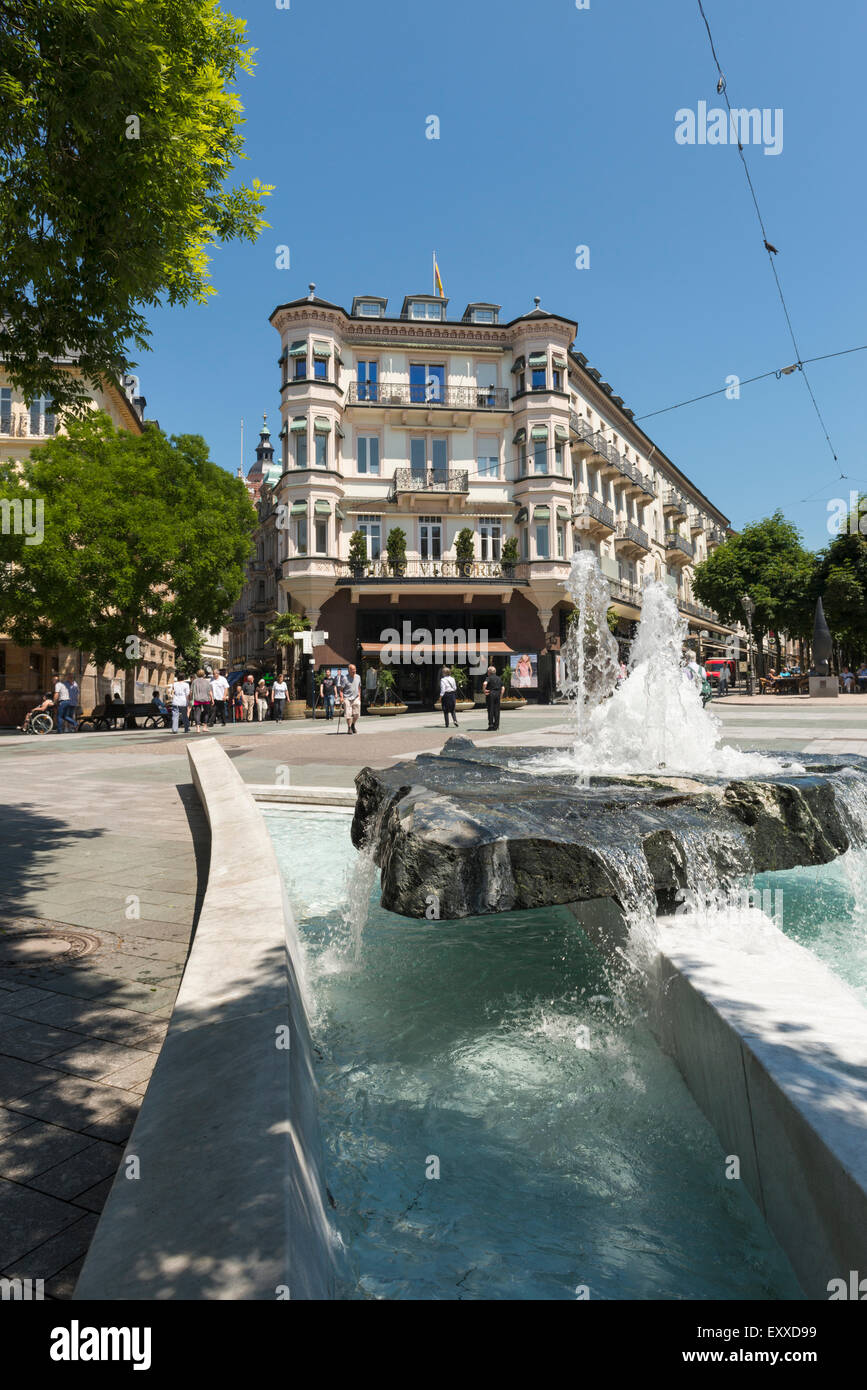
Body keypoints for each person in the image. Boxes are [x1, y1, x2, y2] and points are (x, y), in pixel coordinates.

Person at [338, 663, 362, 734]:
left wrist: (359, 696)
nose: (354, 671)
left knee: (357, 714)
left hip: (356, 697)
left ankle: (353, 724)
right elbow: (341, 689)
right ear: (349, 670)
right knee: (348, 714)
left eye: (355, 669)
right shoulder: (344, 678)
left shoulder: (358, 677)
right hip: (347, 698)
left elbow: (359, 687)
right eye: (352, 670)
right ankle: (349, 728)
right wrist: (341, 697)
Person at [483, 664, 503, 730]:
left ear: (489, 672)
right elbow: (503, 688)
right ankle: (496, 725)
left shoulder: (488, 678)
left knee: (490, 709)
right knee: (497, 710)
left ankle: (491, 725)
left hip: (490, 694)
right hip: (497, 694)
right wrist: (501, 695)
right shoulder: (499, 678)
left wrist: (484, 690)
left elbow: (484, 683)